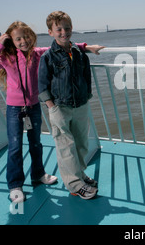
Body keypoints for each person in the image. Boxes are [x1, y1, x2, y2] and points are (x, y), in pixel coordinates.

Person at [0, 21, 103, 203]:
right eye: (18, 38)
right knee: (15, 147)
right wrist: (0, 45)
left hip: (33, 106)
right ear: (11, 41)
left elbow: (62, 46)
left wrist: (87, 47)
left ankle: (38, 174)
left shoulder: (37, 54)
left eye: (26, 37)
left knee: (36, 143)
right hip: (14, 109)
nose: (23, 41)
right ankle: (15, 185)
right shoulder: (6, 57)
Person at [38, 11, 102, 200]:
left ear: (72, 28)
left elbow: (86, 77)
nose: (64, 32)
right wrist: (52, 107)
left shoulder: (79, 53)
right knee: (66, 147)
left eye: (67, 28)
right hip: (60, 107)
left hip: (80, 105)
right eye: (59, 29)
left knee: (82, 144)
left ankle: (79, 174)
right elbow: (41, 85)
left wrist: (87, 96)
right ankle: (74, 185)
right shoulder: (48, 57)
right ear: (50, 32)